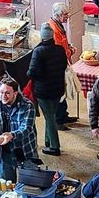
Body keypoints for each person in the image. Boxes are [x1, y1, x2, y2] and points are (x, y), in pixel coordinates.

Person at [0, 77, 39, 181]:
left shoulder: (28, 106)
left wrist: (11, 135)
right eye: (1, 92)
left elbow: (26, 128)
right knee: (5, 185)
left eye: (7, 93)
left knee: (31, 184)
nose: (3, 96)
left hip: (24, 149)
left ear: (15, 93)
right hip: (3, 152)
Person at [27, 23, 69, 157]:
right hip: (57, 89)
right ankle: (48, 141)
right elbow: (63, 66)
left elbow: (32, 72)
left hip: (43, 90)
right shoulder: (60, 50)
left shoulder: (38, 51)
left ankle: (55, 147)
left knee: (50, 117)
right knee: (49, 114)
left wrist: (28, 73)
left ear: (42, 37)